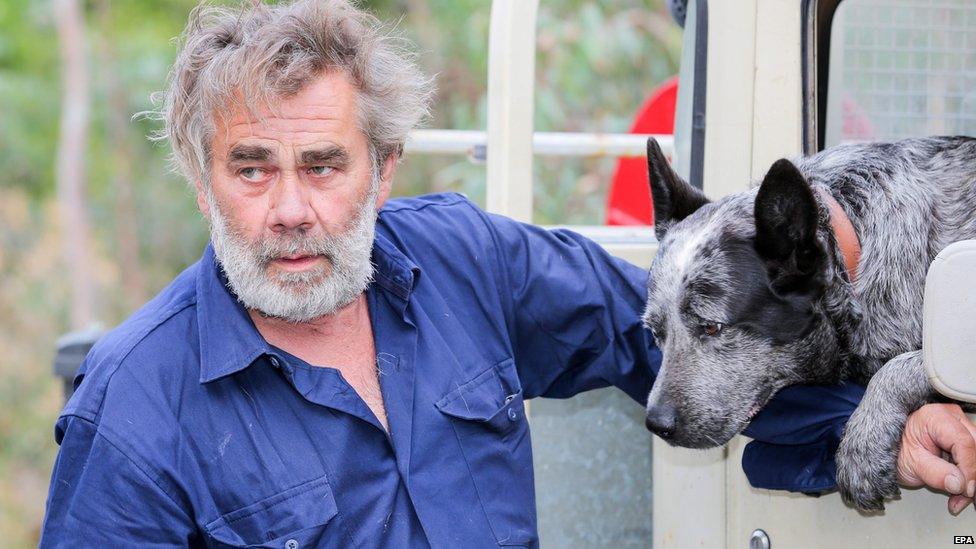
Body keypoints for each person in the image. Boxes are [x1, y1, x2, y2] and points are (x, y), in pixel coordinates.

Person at [40, 1, 976, 546]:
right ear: (204, 182)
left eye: (323, 165)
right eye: (252, 167)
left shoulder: (464, 264)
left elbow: (662, 338)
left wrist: (881, 425)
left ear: (385, 167)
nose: (291, 208)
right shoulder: (130, 414)